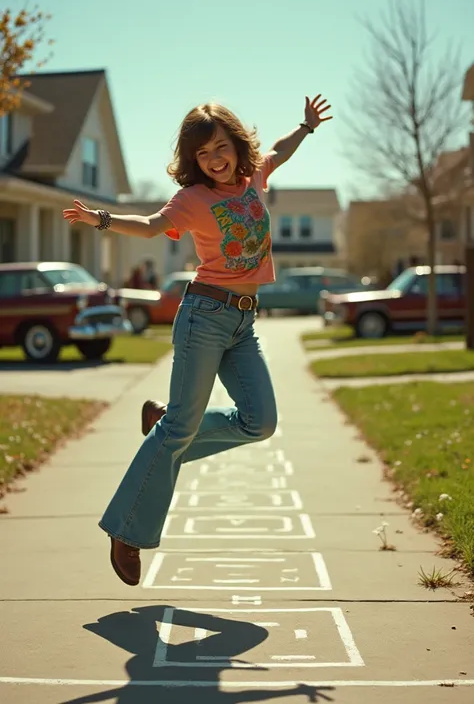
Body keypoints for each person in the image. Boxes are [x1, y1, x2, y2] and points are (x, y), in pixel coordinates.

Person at [63, 96, 332, 586]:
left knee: (260, 422)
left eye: (221, 147)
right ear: (194, 160)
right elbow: (148, 227)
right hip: (204, 317)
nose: (215, 159)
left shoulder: (253, 179)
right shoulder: (192, 200)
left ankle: (165, 427)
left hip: (243, 324)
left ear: (235, 145)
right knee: (178, 434)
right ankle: (127, 528)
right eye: (204, 153)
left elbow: (278, 150)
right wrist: (99, 218)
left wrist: (306, 128)